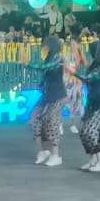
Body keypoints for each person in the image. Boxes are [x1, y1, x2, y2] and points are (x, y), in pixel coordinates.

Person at [29, 35, 68, 167]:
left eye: (45, 45)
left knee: (52, 121)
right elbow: (45, 71)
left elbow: (46, 68)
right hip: (46, 95)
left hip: (57, 95)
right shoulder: (48, 58)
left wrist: (27, 63)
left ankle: (56, 155)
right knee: (34, 119)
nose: (43, 48)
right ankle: (42, 151)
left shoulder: (58, 58)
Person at [76, 39, 100, 173]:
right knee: (84, 133)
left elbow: (88, 78)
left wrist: (72, 72)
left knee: (90, 133)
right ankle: (93, 159)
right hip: (91, 103)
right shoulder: (93, 65)